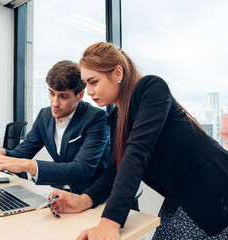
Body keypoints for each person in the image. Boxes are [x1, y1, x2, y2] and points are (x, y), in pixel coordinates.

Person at [48, 42, 228, 240]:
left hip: (213, 190)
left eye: (93, 82)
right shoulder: (117, 118)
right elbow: (115, 170)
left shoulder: (151, 88)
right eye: (86, 84)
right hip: (179, 195)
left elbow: (137, 152)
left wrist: (110, 223)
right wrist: (84, 200)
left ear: (118, 73)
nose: (88, 91)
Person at [0, 60, 112, 194]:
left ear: (80, 96)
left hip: (89, 196)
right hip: (56, 192)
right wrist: (1, 153)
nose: (54, 103)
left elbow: (81, 171)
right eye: (52, 93)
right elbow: (22, 153)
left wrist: (26, 165)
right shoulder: (44, 115)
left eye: (63, 96)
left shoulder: (96, 118)